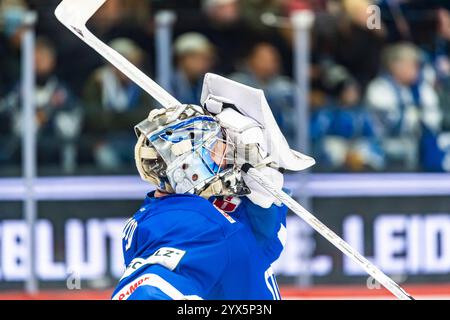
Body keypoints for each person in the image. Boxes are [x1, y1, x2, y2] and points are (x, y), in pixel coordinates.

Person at [111, 73, 316, 300]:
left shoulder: (195, 213)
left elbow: (257, 250)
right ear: (189, 168)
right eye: (216, 145)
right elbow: (146, 293)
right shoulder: (194, 224)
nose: (228, 153)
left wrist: (262, 200)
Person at [365, 42, 443, 171]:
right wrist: (416, 116)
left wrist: (418, 118)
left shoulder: (422, 88)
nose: (416, 69)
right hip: (384, 144)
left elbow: (433, 120)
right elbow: (392, 124)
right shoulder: (379, 88)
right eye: (412, 64)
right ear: (395, 65)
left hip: (416, 145)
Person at [82, 38, 153, 171]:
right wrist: (126, 118)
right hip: (106, 139)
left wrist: (114, 117)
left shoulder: (141, 82)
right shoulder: (98, 82)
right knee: (106, 157)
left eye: (134, 62)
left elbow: (146, 116)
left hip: (135, 140)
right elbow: (93, 117)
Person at [311, 65, 385, 172]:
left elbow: (373, 134)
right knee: (331, 148)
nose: (351, 95)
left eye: (354, 91)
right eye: (347, 91)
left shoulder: (362, 113)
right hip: (335, 144)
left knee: (368, 150)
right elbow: (315, 133)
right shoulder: (328, 112)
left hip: (356, 145)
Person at [230, 42, 297, 145]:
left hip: (281, 142)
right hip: (243, 141)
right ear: (251, 60)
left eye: (272, 60)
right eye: (263, 59)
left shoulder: (286, 88)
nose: (267, 64)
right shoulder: (236, 82)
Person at [171, 33, 215, 105]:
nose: (206, 63)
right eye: (200, 58)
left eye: (208, 59)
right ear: (183, 59)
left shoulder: (204, 82)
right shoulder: (167, 84)